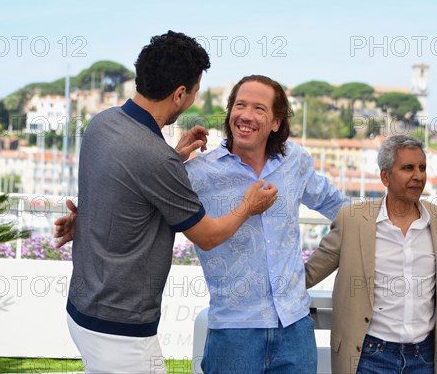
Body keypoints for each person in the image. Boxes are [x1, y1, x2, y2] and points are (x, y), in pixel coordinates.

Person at [56, 31, 278, 373]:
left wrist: (174, 156)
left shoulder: (102, 124)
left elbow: (124, 186)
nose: (193, 99)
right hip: (121, 331)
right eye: (194, 91)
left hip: (81, 309)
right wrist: (248, 205)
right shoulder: (156, 160)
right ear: (179, 94)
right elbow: (207, 235)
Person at [184, 75, 350, 373]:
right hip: (234, 331)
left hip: (295, 328)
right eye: (240, 105)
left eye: (259, 109)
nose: (246, 116)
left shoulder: (295, 161)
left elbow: (339, 208)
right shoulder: (199, 173)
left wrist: (403, 217)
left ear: (276, 122)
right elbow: (148, 203)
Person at [304, 135, 437, 374]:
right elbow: (310, 273)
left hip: (423, 357)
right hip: (368, 355)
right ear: (385, 176)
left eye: (422, 168)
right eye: (408, 168)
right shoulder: (353, 219)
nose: (418, 176)